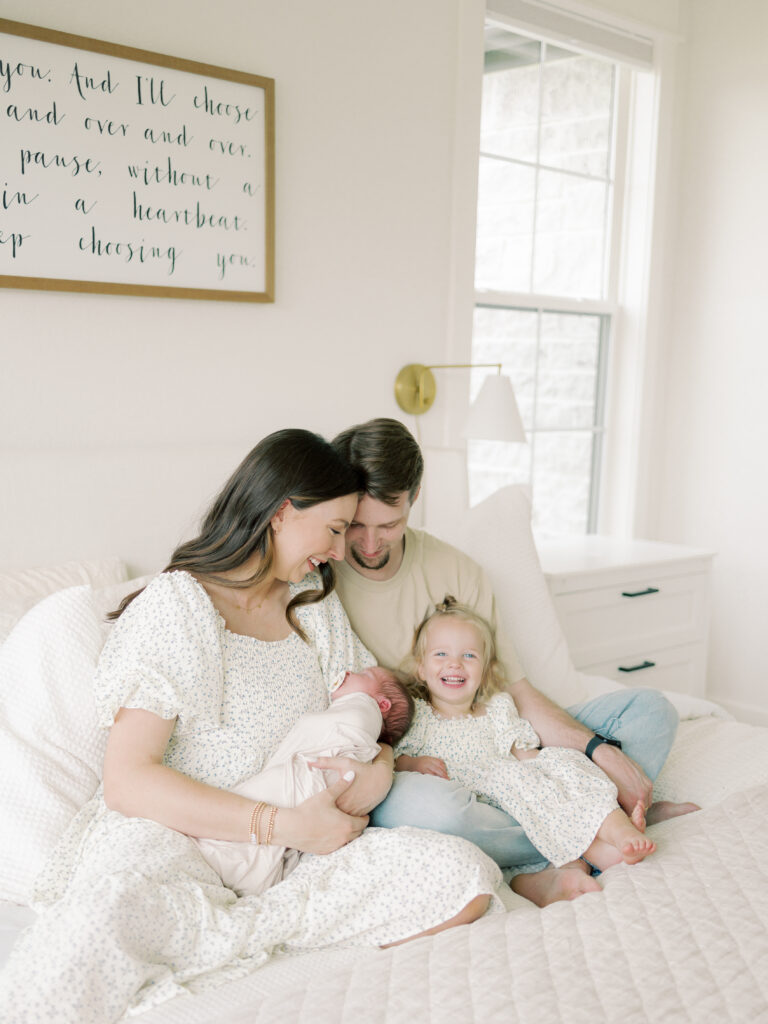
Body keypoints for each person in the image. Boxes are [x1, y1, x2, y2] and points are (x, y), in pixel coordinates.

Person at [0, 430, 502, 1024]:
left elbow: (365, 716)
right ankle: (230, 934)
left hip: (297, 851)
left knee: (463, 875)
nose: (342, 551)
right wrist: (282, 823)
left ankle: (235, 935)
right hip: (183, 837)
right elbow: (128, 782)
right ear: (284, 512)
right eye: (336, 529)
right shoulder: (180, 604)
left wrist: (379, 771)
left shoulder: (312, 597)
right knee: (104, 917)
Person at [331, 418, 697, 905]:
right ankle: (596, 826)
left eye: (389, 525)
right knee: (434, 811)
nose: (370, 544)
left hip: (497, 744)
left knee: (650, 712)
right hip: (420, 765)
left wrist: (599, 751)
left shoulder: (457, 570)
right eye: (356, 524)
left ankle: (568, 841)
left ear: (414, 498)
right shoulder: (321, 580)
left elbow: (517, 693)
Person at [397, 598, 658, 879]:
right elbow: (396, 761)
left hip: (517, 786)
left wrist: (556, 772)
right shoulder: (418, 715)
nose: (455, 664)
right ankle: (601, 848)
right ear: (421, 669)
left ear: (485, 670)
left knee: (563, 762)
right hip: (478, 799)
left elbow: (524, 753)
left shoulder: (497, 708)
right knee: (524, 789)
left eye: (469, 656)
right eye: (440, 655)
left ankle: (617, 830)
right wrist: (413, 763)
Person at [195, 666, 414, 896]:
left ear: (383, 705)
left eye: (365, 674)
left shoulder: (363, 708)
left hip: (307, 782)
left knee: (272, 795)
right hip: (287, 802)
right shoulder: (355, 714)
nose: (349, 671)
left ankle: (232, 855)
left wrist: (383, 768)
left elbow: (355, 725)